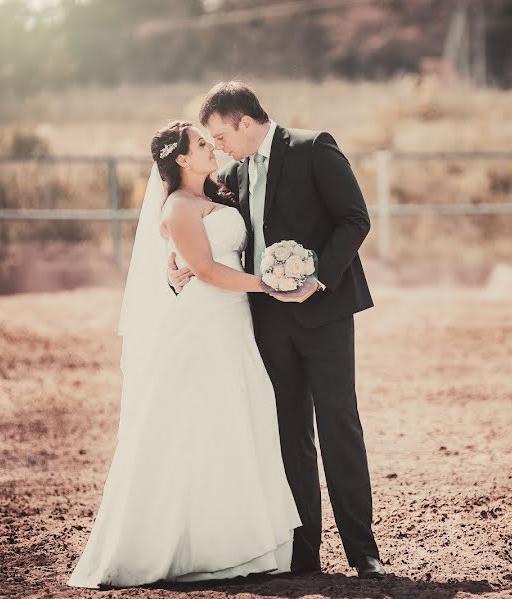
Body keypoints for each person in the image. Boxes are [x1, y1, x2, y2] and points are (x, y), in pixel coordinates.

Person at [68, 121, 302, 588]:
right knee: (198, 420)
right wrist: (272, 285)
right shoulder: (176, 207)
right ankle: (183, 546)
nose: (211, 146)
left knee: (236, 415)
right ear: (180, 160)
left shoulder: (219, 194)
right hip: (204, 322)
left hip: (234, 322)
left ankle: (239, 540)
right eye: (201, 143)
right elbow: (208, 270)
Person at [168, 81, 385, 579]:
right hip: (265, 319)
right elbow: (198, 223)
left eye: (221, 135)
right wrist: (177, 261)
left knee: (339, 426)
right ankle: (303, 551)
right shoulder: (231, 173)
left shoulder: (314, 147)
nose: (217, 147)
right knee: (288, 433)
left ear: (245, 122)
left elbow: (355, 220)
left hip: (325, 313)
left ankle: (362, 549)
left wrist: (318, 279)